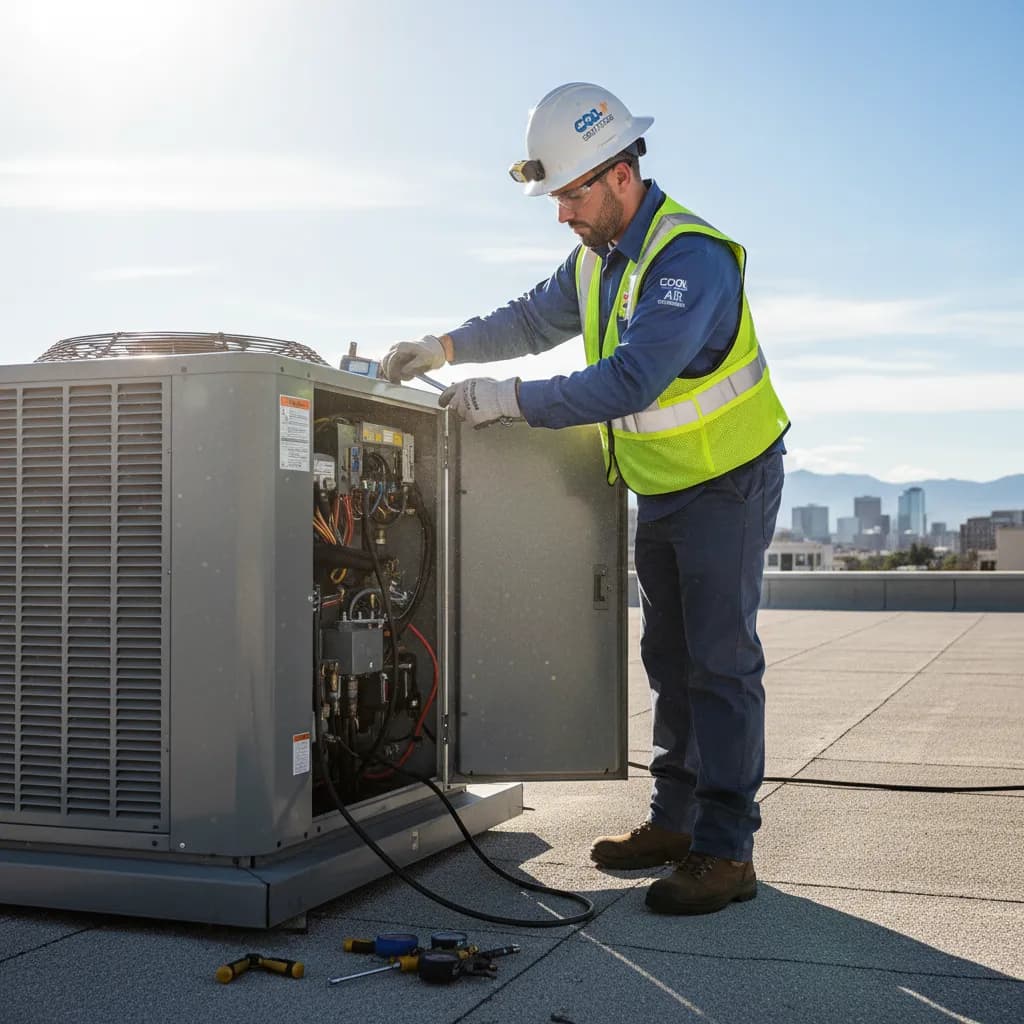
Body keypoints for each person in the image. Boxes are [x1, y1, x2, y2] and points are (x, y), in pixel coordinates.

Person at [382, 82, 789, 916]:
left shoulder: (689, 259)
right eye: (557, 197)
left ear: (619, 176)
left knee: (720, 664)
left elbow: (632, 376)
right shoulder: (602, 258)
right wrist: (445, 346)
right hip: (665, 486)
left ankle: (725, 851)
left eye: (570, 194)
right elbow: (534, 320)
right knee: (670, 664)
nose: (562, 214)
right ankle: (673, 823)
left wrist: (510, 401)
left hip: (727, 481)